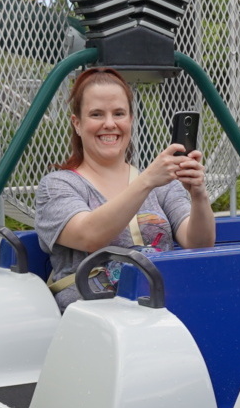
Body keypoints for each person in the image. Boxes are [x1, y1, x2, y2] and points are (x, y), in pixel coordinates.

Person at [31, 67, 214, 308]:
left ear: (130, 120)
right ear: (77, 123)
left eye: (119, 113)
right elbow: (90, 236)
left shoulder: (161, 184)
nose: (109, 124)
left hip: (161, 308)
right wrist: (146, 181)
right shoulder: (58, 186)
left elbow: (199, 243)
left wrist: (198, 194)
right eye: (96, 114)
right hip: (93, 318)